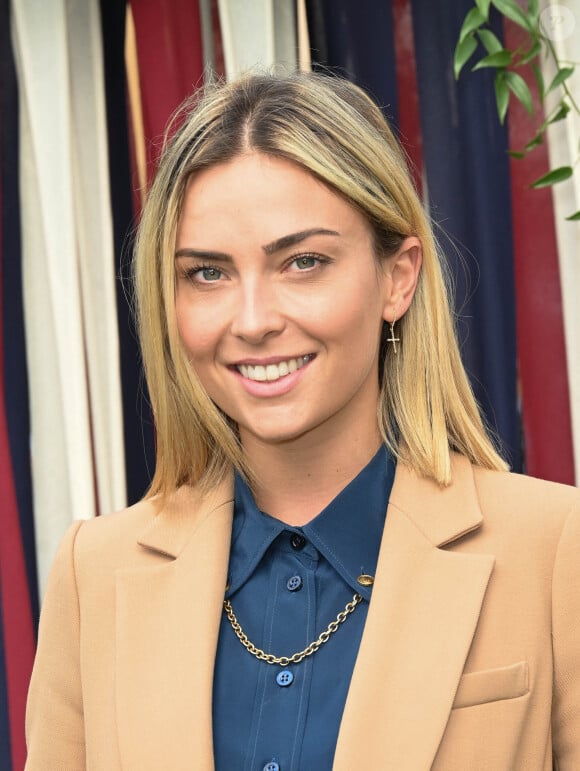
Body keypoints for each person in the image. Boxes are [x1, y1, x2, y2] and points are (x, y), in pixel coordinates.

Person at [25, 71, 579, 771]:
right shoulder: (92, 574)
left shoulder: (557, 549)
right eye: (207, 273)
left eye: (303, 262)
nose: (254, 320)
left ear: (398, 277)